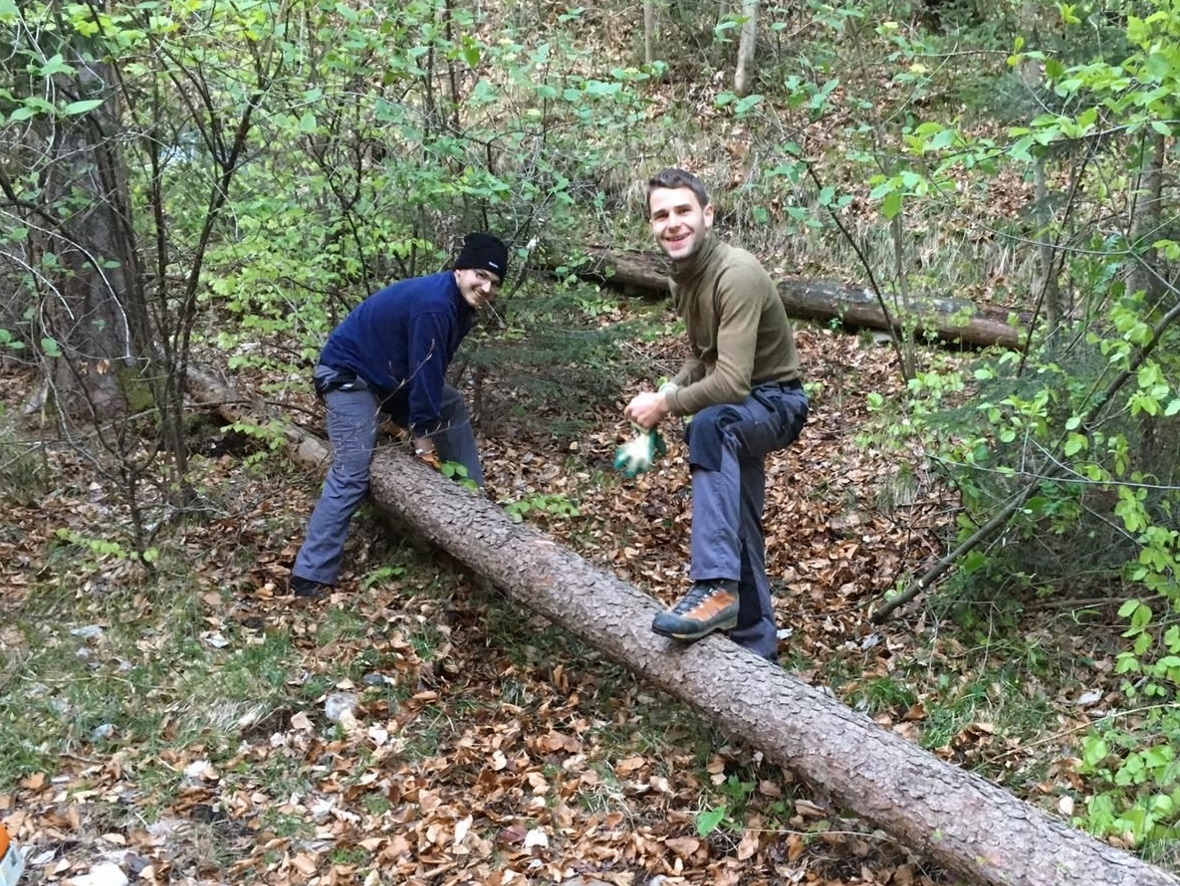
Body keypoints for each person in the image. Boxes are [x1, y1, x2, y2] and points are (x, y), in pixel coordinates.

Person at [624, 169, 808, 662]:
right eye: (661, 215)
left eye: (683, 211)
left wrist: (666, 405)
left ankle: (716, 588)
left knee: (710, 424)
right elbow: (704, 358)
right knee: (739, 518)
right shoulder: (683, 277)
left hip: (777, 404)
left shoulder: (736, 274)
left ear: (707, 214)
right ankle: (756, 644)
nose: (672, 223)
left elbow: (731, 383)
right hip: (745, 407)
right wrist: (670, 391)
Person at [288, 232, 509, 598]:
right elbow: (425, 373)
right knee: (352, 471)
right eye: (480, 276)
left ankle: (473, 496)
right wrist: (423, 442)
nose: (486, 287)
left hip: (386, 378)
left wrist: (411, 419)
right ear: (459, 270)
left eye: (495, 282)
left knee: (450, 402)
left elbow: (429, 374)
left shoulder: (458, 304)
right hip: (349, 379)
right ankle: (309, 575)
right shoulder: (436, 305)